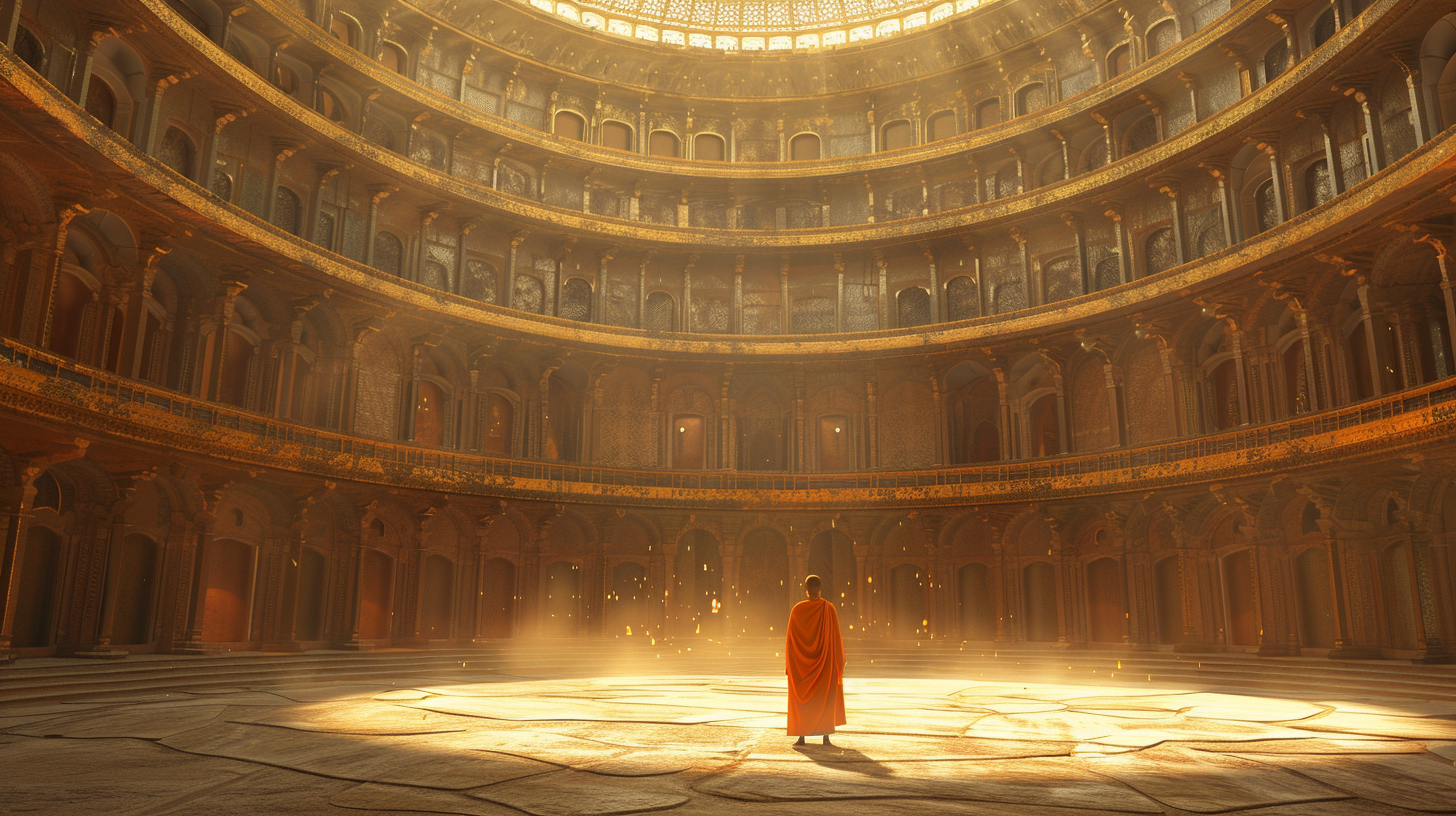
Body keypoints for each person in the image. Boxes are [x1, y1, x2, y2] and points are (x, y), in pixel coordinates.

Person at [785, 574, 846, 746]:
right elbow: (836, 639)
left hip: (802, 666)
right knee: (824, 698)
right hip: (825, 663)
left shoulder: (797, 610)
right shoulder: (829, 609)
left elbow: (791, 642)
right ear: (820, 589)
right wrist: (838, 663)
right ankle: (825, 736)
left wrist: (790, 665)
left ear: (805, 589)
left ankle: (802, 735)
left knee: (803, 699)